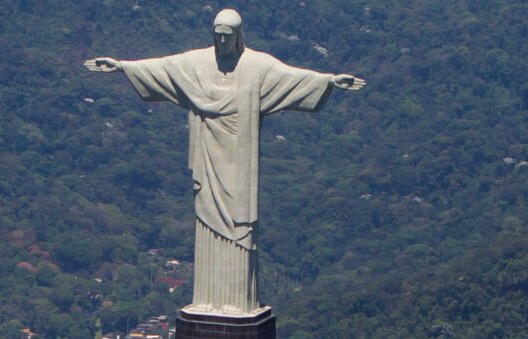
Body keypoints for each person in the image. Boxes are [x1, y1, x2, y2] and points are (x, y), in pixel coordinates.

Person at [87, 11, 364, 314]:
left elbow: (291, 77)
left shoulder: (257, 66)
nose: (222, 41)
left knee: (239, 226)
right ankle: (207, 301)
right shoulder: (198, 63)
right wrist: (122, 67)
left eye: (227, 35)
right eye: (217, 35)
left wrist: (329, 82)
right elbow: (164, 67)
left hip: (239, 162)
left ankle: (237, 302)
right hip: (208, 157)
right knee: (207, 221)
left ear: (238, 35)